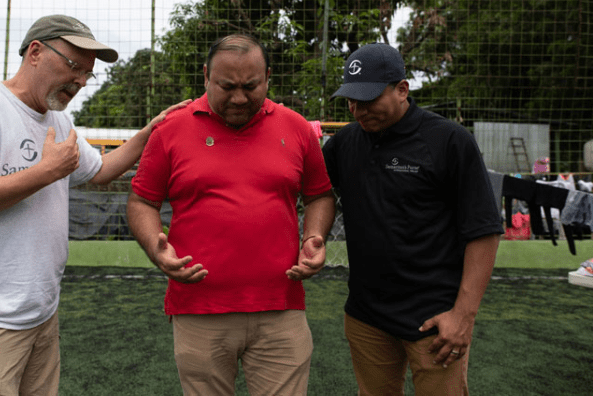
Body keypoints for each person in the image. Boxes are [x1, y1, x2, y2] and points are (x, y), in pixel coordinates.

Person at [0, 14, 189, 395]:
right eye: (73, 66)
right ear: (35, 52)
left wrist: (151, 131)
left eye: (87, 73)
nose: (80, 81)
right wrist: (46, 171)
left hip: (40, 315)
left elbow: (99, 170)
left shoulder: (57, 121)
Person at [126, 33, 336, 395]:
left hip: (281, 307)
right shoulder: (170, 130)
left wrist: (313, 237)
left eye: (251, 86)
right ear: (206, 76)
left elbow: (319, 195)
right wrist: (155, 248)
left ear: (268, 77)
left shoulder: (296, 128)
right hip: (198, 307)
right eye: (227, 86)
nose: (239, 97)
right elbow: (141, 201)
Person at [322, 43, 504, 395]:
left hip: (434, 319)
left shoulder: (449, 140)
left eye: (369, 99)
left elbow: (484, 230)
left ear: (402, 89)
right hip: (365, 315)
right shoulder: (344, 143)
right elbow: (311, 189)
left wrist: (463, 316)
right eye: (351, 100)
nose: (358, 110)